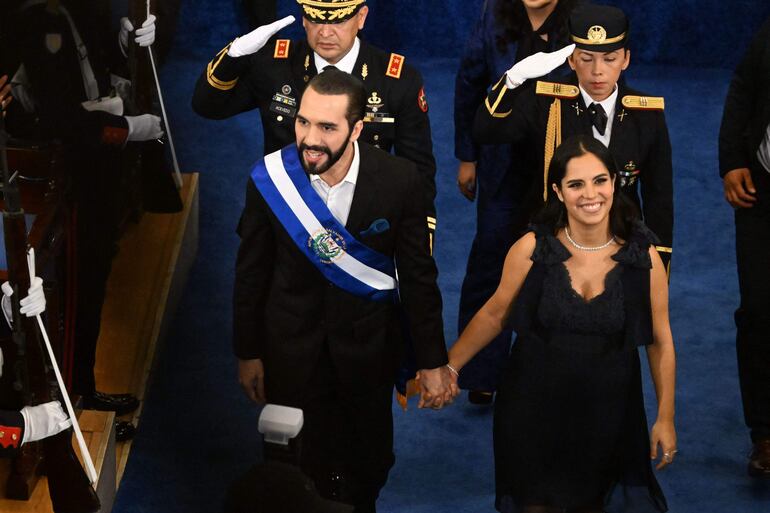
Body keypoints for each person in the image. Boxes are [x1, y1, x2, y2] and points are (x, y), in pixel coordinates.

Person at [233, 68, 451, 513]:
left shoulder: (399, 180)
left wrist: (431, 361)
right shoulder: (272, 179)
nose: (310, 138)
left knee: (368, 466)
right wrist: (248, 351)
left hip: (368, 353)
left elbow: (417, 276)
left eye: (327, 127)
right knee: (293, 473)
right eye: (303, 122)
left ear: (357, 129)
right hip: (289, 352)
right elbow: (251, 272)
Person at [445, 135, 676, 513]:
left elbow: (661, 341)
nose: (591, 194)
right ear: (557, 190)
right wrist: (450, 366)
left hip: (611, 413)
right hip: (532, 409)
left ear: (614, 183)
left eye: (600, 180)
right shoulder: (530, 249)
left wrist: (665, 416)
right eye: (576, 184)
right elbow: (494, 313)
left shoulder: (642, 256)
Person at [0, 1, 165, 439]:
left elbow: (93, 55)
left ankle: (78, 390)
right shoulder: (41, 16)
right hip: (68, 169)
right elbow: (62, 119)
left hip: (86, 165)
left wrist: (121, 38)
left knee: (89, 275)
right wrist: (132, 129)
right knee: (79, 281)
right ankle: (74, 397)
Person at [192, 0, 438, 247]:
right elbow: (208, 106)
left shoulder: (396, 79)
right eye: (317, 19)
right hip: (284, 220)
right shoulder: (275, 65)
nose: (326, 32)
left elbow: (418, 171)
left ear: (361, 17)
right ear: (304, 20)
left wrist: (417, 243)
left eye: (339, 20)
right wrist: (234, 54)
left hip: (363, 232)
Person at [474, 3, 674, 277]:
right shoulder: (546, 102)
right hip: (555, 244)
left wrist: (658, 269)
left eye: (610, 58)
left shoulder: (647, 116)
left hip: (621, 243)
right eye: (586, 58)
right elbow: (486, 131)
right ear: (570, 59)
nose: (597, 71)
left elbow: (659, 200)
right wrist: (512, 79)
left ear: (626, 59)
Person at [454, 0, 579, 404]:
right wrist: (467, 155)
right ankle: (479, 371)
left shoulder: (585, 19)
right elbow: (470, 82)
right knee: (490, 258)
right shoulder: (493, 12)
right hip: (501, 164)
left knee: (562, 266)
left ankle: (548, 374)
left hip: (562, 166)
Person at [718, 15, 770, 477]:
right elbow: (744, 86)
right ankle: (766, 434)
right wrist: (733, 160)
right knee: (758, 311)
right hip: (762, 194)